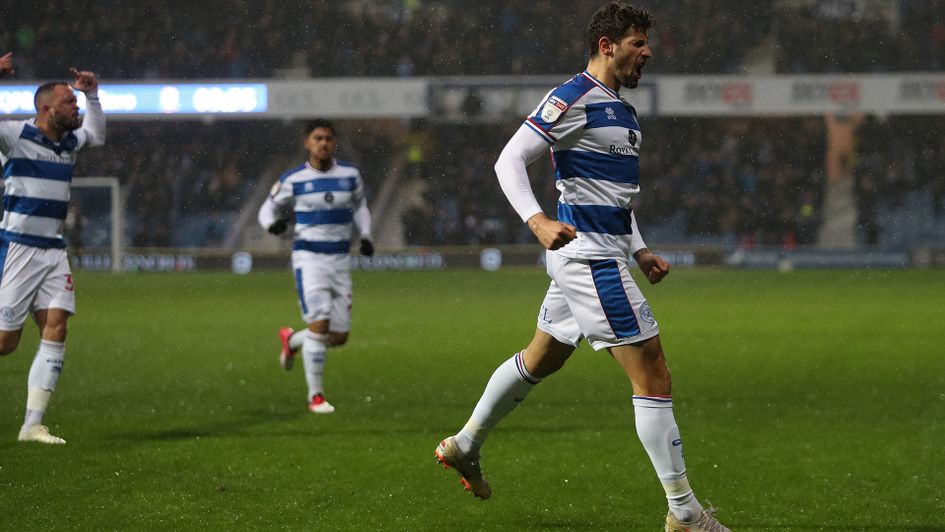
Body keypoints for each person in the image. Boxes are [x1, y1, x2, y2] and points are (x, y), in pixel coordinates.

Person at [433, 5, 731, 531]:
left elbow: (615, 198)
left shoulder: (624, 112)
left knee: (541, 358)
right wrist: (537, 221)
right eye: (638, 42)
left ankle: (465, 443)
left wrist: (640, 250)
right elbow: (509, 159)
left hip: (602, 254)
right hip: (589, 259)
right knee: (653, 374)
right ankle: (684, 513)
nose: (648, 52)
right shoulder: (572, 97)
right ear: (607, 45)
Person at [0, 52, 106, 444]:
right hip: (18, 247)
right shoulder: (16, 135)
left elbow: (97, 134)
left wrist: (92, 95)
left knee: (57, 326)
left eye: (76, 102)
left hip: (53, 250)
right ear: (46, 108)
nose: (75, 107)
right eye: (69, 101)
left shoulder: (70, 142)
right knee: (5, 344)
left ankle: (32, 425)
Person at [258, 120, 374, 414]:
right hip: (309, 259)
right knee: (320, 324)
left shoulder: (350, 175)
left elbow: (360, 206)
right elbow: (266, 209)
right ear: (307, 143)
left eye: (328, 138)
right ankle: (316, 397)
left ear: (335, 143)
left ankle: (292, 340)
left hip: (340, 260)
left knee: (338, 337)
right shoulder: (293, 179)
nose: (323, 143)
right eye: (318, 138)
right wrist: (272, 225)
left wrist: (366, 235)